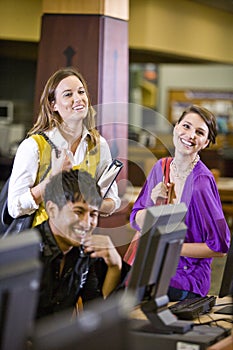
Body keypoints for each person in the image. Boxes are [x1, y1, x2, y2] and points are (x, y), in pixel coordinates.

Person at [130, 104, 231, 301]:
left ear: (206, 142)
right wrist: (154, 204)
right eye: (186, 126)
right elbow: (136, 219)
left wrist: (172, 247)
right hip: (150, 267)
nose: (190, 135)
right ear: (176, 127)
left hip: (185, 278)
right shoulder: (161, 167)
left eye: (200, 132)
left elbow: (220, 246)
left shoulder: (202, 182)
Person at [8, 67, 120, 227]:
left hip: (81, 241)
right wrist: (53, 178)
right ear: (53, 105)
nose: (78, 98)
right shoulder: (33, 146)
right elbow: (14, 207)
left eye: (81, 92)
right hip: (43, 246)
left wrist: (91, 203)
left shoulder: (98, 144)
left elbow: (112, 201)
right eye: (68, 94)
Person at [33, 168, 129, 319]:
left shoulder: (84, 251)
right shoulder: (26, 253)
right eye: (78, 212)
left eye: (93, 214)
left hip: (58, 341)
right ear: (52, 209)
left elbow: (99, 312)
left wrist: (114, 266)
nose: (87, 223)